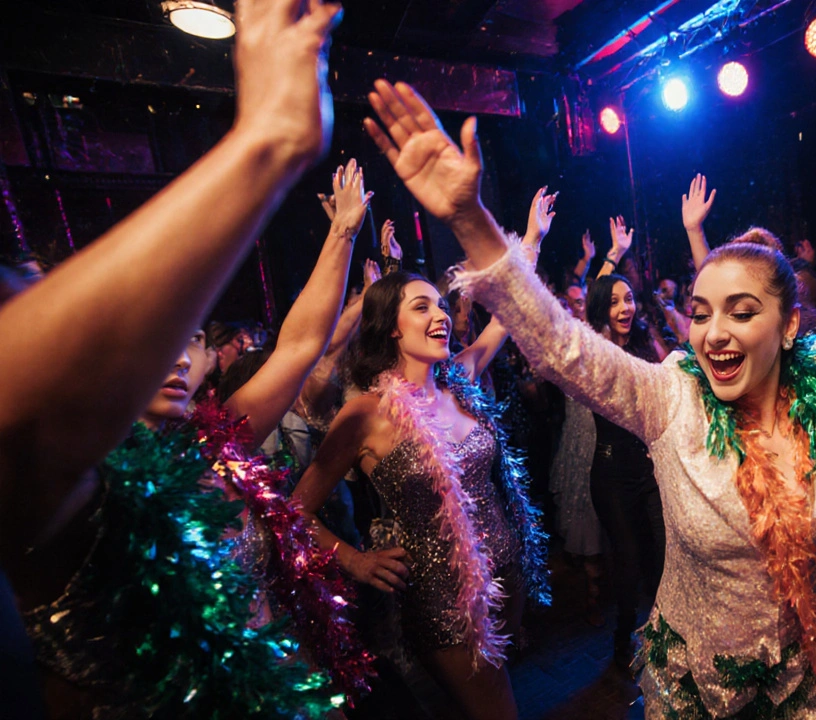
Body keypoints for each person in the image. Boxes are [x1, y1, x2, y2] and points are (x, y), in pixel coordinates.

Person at [365, 72, 816, 717]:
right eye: (701, 312)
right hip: (693, 687)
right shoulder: (669, 397)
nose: (714, 333)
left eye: (742, 312)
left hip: (806, 681)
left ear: (790, 325)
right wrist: (471, 219)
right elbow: (557, 344)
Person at [17, 157, 372, 717]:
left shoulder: (219, 440)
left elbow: (300, 345)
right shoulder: (87, 487)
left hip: (292, 689)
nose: (177, 357)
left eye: (191, 338)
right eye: (156, 337)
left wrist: (343, 232)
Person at [291, 256, 549, 720]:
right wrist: (354, 560)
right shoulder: (365, 414)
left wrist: (526, 246)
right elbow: (294, 511)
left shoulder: (459, 383)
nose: (441, 315)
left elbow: (505, 319)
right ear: (391, 326)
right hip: (443, 602)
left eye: (442, 305)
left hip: (507, 578)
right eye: (422, 306)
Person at [584, 269, 666, 666]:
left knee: (665, 552)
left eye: (629, 298)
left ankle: (667, 633)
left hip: (649, 470)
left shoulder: (645, 344)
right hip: (612, 473)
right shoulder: (596, 353)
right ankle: (623, 636)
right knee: (629, 558)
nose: (625, 307)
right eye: (615, 301)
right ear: (601, 308)